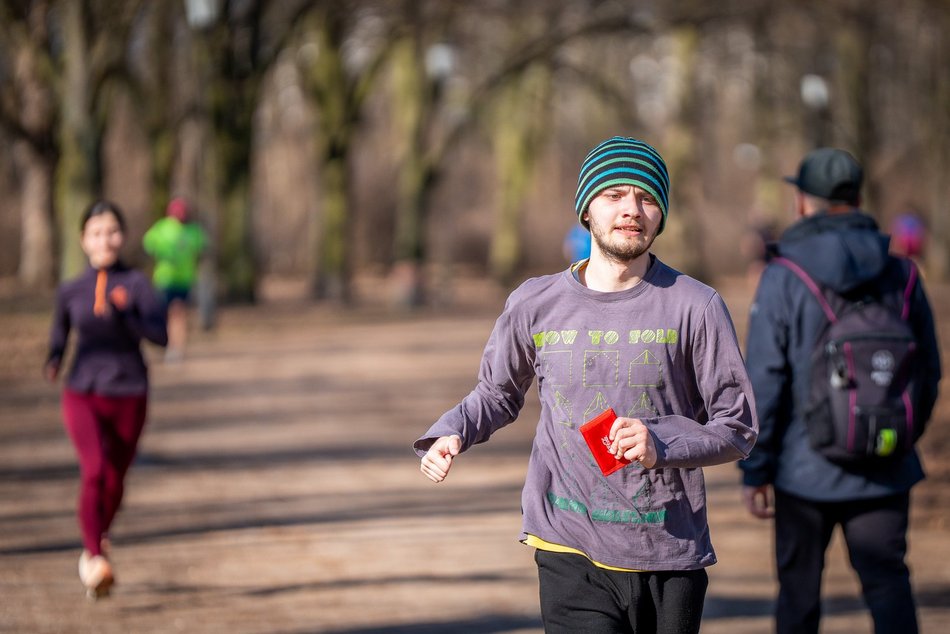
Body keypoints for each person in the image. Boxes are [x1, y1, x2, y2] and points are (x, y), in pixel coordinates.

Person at [414, 136, 758, 633]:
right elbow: (497, 393)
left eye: (647, 198)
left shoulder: (696, 307)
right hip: (568, 542)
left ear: (661, 215)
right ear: (586, 210)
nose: (631, 210)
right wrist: (453, 431)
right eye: (615, 195)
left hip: (668, 549)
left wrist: (660, 441)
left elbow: (738, 425)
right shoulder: (536, 302)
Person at [739, 148, 942, 634]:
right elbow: (929, 372)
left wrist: (757, 467)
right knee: (889, 585)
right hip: (885, 465)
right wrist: (899, 434)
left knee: (798, 596)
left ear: (803, 203)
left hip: (800, 470)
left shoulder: (783, 276)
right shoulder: (904, 274)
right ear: (856, 198)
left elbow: (764, 380)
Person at [44, 200, 168, 599]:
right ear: (83, 240)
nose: (105, 239)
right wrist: (53, 358)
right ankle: (95, 557)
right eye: (96, 232)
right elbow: (60, 333)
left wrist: (126, 315)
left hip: (130, 391)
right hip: (83, 390)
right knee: (94, 470)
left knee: (115, 479)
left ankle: (99, 538)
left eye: (112, 231)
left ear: (124, 236)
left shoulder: (137, 285)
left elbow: (161, 336)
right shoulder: (71, 289)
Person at [142, 197, 207, 362]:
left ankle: (176, 348)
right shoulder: (162, 227)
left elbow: (202, 246)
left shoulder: (193, 231)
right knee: (163, 314)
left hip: (183, 280)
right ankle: (166, 343)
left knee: (178, 314)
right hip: (164, 278)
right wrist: (162, 252)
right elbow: (148, 243)